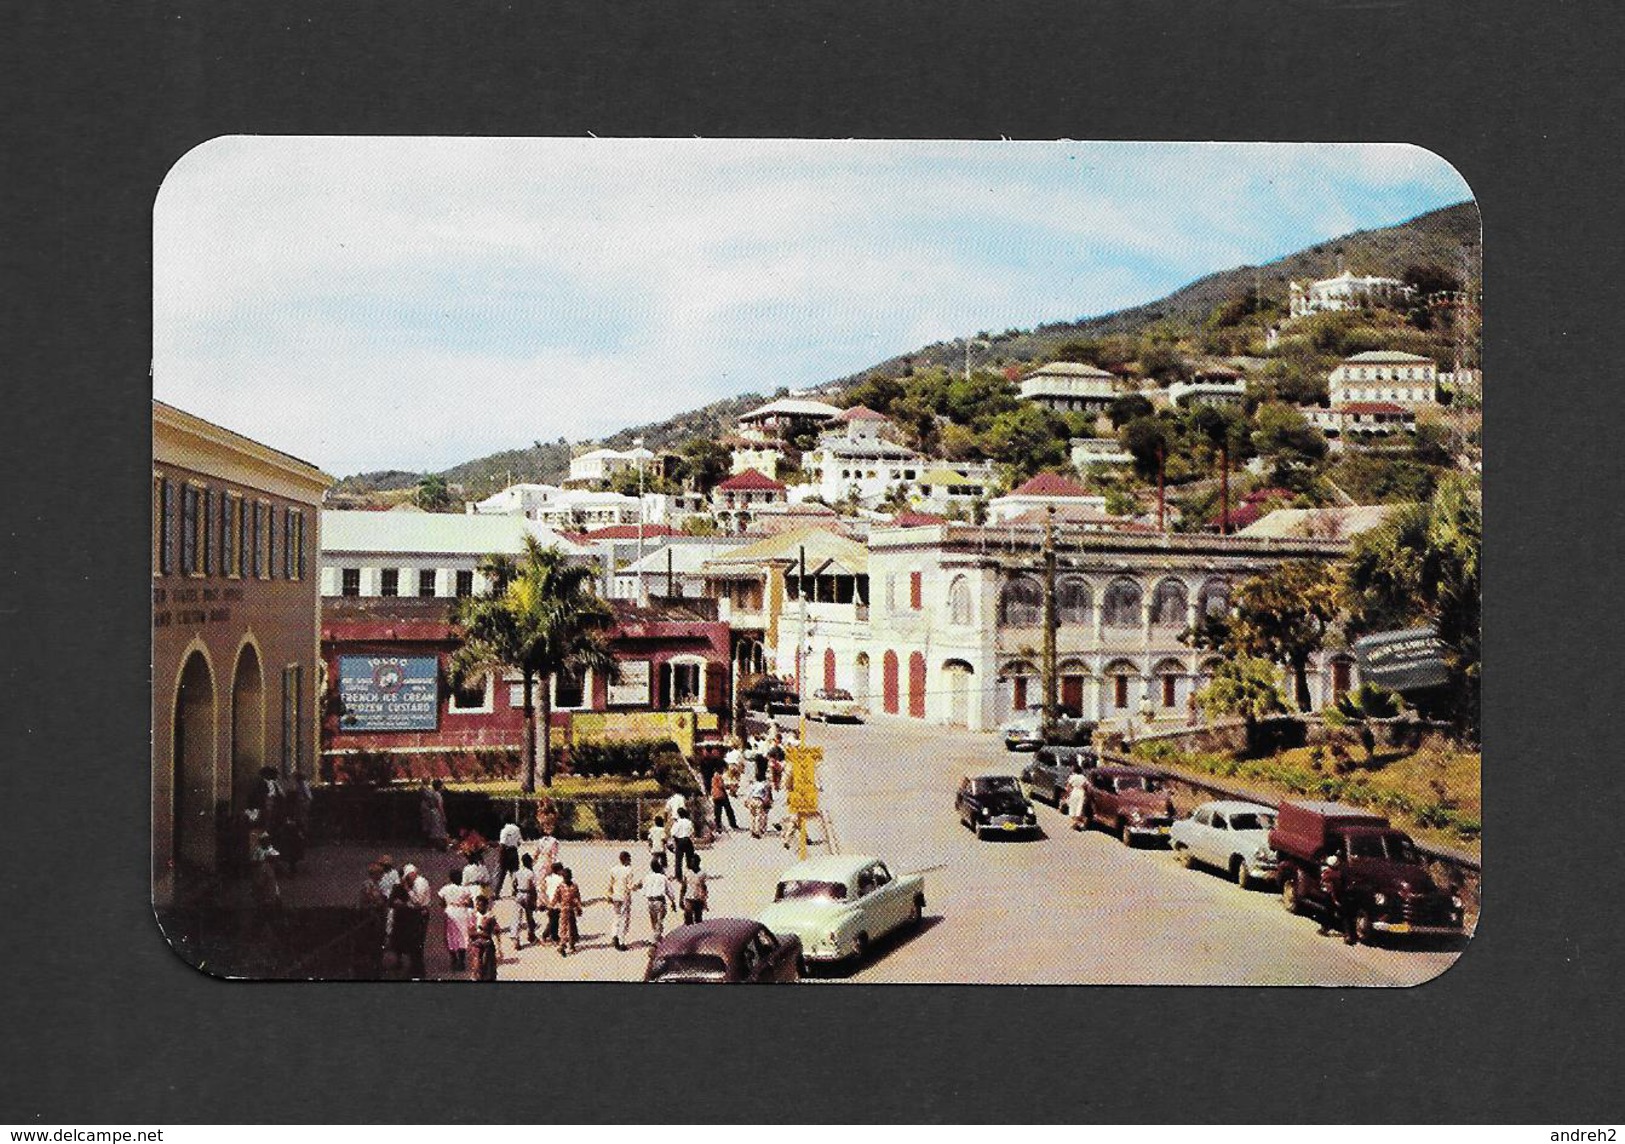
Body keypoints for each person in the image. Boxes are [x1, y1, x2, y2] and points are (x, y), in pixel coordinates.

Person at [355, 860, 389, 978]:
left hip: (377, 915)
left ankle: (377, 963)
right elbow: (374, 900)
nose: (382, 876)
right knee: (373, 941)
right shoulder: (368, 885)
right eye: (380, 873)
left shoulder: (376, 884)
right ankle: (373, 965)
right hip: (371, 916)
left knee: (379, 941)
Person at [1317, 852, 1357, 945]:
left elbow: (1331, 889)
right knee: (1346, 916)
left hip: (1333, 896)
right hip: (1343, 895)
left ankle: (1325, 929)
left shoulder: (1327, 874)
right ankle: (1348, 935)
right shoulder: (1340, 873)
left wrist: (1335, 900)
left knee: (1329, 911)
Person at [438, 870, 473, 972]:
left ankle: (453, 959)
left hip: (450, 911)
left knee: (451, 936)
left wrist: (446, 906)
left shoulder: (445, 888)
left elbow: (441, 901)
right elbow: (470, 902)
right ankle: (461, 960)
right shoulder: (465, 889)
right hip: (461, 912)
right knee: (462, 935)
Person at [402, 863, 432, 977]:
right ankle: (415, 968)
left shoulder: (419, 883)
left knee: (416, 943)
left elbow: (418, 901)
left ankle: (418, 970)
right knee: (414, 943)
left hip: (419, 914)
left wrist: (408, 890)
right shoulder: (418, 882)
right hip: (416, 913)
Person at [606, 851, 636, 951]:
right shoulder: (629, 870)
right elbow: (630, 886)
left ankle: (614, 934)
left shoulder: (613, 869)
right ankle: (622, 941)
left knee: (616, 917)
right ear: (627, 859)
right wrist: (638, 886)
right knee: (624, 919)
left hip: (616, 896)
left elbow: (610, 883)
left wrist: (608, 895)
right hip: (624, 896)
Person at [469, 893, 499, 981]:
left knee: (488, 965)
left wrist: (499, 948)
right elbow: (470, 932)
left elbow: (496, 931)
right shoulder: (474, 916)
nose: (478, 907)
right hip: (477, 943)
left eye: (480, 905)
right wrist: (481, 933)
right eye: (477, 905)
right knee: (477, 962)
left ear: (486, 906)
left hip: (487, 943)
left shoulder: (490, 917)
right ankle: (476, 975)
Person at [512, 853, 538, 949]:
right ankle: (531, 935)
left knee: (517, 917)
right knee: (529, 916)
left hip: (519, 893)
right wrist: (535, 900)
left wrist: (515, 892)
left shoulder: (518, 872)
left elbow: (514, 884)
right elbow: (533, 887)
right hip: (527, 894)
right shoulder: (531, 873)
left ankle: (516, 939)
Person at [555, 868, 583, 956]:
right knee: (564, 927)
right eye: (565, 877)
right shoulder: (561, 886)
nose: (567, 878)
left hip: (571, 909)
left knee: (572, 927)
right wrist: (552, 906)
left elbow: (577, 898)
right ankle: (562, 945)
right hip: (564, 909)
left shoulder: (574, 886)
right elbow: (556, 897)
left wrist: (579, 908)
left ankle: (571, 944)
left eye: (568, 877)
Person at [642, 857, 670, 945]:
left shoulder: (647, 877)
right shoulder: (663, 877)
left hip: (650, 901)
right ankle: (655, 940)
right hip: (659, 901)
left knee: (653, 921)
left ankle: (656, 936)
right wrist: (672, 901)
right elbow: (669, 891)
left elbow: (643, 891)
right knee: (659, 920)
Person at [495, 820, 523, 897]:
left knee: (502, 873)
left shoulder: (504, 830)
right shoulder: (517, 829)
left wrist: (500, 857)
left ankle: (497, 892)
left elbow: (502, 844)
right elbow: (519, 842)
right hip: (514, 851)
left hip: (506, 852)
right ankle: (515, 891)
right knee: (514, 872)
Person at [541, 861, 565, 944]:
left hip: (549, 901)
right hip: (556, 902)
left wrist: (544, 900)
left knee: (553, 919)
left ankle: (554, 936)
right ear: (558, 870)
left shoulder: (548, 878)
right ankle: (547, 935)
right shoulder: (561, 880)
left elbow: (543, 889)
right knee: (554, 920)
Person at [419, 779, 448, 850]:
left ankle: (432, 845)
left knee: (433, 829)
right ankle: (439, 845)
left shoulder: (432, 793)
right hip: (437, 812)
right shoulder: (438, 795)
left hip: (432, 811)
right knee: (438, 829)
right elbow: (440, 806)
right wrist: (443, 816)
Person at [680, 854, 708, 926]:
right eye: (691, 862)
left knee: (698, 920)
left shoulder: (702, 874)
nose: (692, 864)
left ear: (698, 863)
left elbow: (704, 887)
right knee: (688, 920)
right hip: (689, 899)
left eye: (694, 862)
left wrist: (704, 900)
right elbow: (684, 886)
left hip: (698, 899)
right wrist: (681, 899)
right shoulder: (687, 873)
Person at [710, 768, 739, 832]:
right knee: (729, 810)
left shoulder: (713, 777)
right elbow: (721, 785)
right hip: (721, 795)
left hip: (715, 795)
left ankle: (718, 825)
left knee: (717, 812)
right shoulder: (718, 776)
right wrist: (729, 786)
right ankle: (733, 824)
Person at [671, 807, 696, 874]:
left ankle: (678, 874)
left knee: (678, 860)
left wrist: (674, 842)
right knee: (689, 857)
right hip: (687, 840)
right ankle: (691, 872)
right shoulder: (689, 822)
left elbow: (673, 833)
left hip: (679, 841)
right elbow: (692, 832)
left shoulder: (677, 823)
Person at [1064, 766, 1090, 831]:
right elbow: (1086, 786)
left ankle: (1079, 824)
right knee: (1079, 808)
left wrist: (1067, 794)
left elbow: (1068, 786)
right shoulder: (1083, 777)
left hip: (1074, 792)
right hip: (1081, 793)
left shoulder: (1073, 777)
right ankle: (1078, 824)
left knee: (1073, 809)